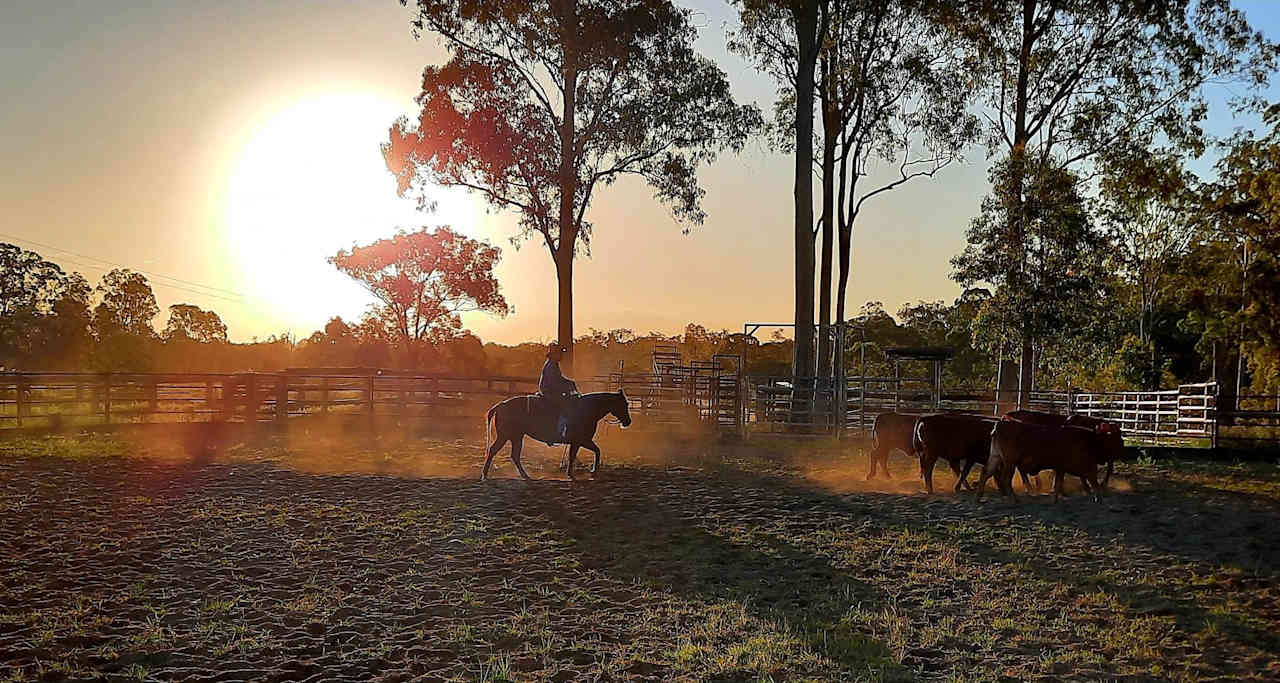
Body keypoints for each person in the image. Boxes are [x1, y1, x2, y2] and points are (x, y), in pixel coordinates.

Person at [539, 341, 578, 440]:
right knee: (566, 405)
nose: (561, 356)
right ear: (554, 354)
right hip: (549, 391)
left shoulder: (553, 364)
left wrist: (570, 383)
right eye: (559, 353)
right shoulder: (551, 365)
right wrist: (567, 388)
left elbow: (559, 379)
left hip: (550, 390)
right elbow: (554, 382)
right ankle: (559, 431)